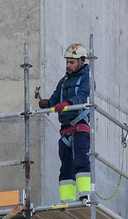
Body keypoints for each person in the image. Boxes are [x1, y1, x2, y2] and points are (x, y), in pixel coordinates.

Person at [37, 43, 93, 202]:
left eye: (72, 62)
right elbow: (56, 98)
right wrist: (47, 103)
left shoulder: (87, 79)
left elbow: (82, 96)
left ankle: (85, 196)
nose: (68, 65)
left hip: (80, 126)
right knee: (66, 166)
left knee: (81, 162)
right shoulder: (63, 81)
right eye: (67, 62)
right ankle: (67, 199)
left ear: (81, 62)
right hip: (66, 130)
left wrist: (68, 104)